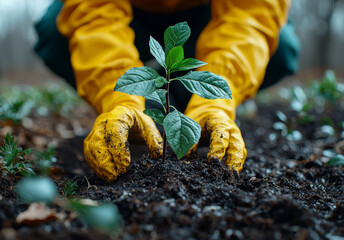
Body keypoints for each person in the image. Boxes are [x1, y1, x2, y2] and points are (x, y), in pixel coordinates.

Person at [34, 0, 300, 181]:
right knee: (54, 32)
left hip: (208, 13)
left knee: (281, 47)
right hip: (128, 13)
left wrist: (214, 100)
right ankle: (147, 111)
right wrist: (121, 97)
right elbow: (94, 15)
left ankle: (187, 104)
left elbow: (249, 17)